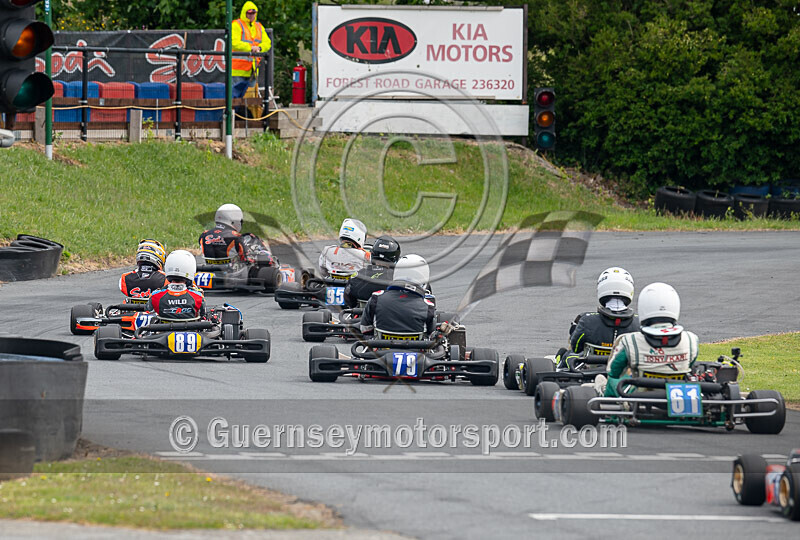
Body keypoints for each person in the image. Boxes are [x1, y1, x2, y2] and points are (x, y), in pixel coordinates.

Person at [602, 282, 699, 397]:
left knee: (611, 380)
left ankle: (608, 413)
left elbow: (614, 371)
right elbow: (690, 366)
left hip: (641, 400)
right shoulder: (691, 340)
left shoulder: (632, 341)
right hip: (680, 396)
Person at [556, 267, 640, 369]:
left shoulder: (587, 320)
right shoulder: (638, 323)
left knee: (566, 354)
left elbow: (576, 347)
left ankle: (558, 367)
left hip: (590, 368)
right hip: (625, 370)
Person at [360, 254, 436, 338]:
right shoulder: (428, 306)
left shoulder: (376, 298)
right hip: (415, 349)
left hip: (383, 347)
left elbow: (365, 329)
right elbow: (432, 335)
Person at [147, 250, 206, 321]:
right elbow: (203, 316)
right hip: (190, 331)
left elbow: (148, 313)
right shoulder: (198, 296)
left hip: (163, 331)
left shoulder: (155, 296)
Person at [343, 235, 400, 308]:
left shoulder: (358, 274)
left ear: (373, 254)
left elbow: (348, 295)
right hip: (385, 316)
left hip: (359, 315)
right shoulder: (395, 278)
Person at [231, 2, 271, 99]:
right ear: (244, 13)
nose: (251, 16)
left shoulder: (259, 27)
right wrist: (251, 48)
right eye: (249, 13)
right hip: (238, 71)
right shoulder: (236, 25)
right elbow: (233, 42)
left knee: (250, 100)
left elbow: (267, 42)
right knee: (235, 99)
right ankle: (234, 114)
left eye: (253, 13)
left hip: (252, 70)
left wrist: (260, 48)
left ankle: (246, 114)